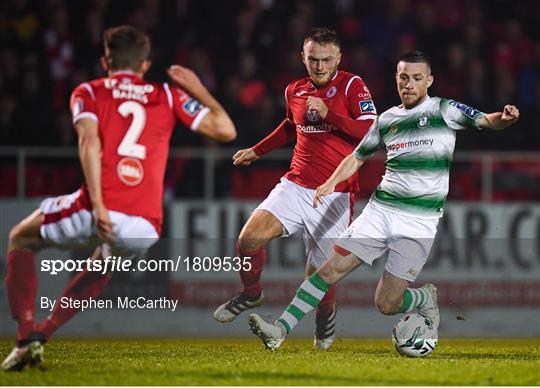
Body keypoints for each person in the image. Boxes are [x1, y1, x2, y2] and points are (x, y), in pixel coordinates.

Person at [249, 50, 520, 350]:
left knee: (387, 303)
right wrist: (329, 183)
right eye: (404, 77)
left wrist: (503, 119)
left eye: (417, 78)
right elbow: (356, 157)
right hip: (380, 211)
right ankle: (279, 331)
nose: (409, 84)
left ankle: (423, 297)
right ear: (396, 78)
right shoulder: (386, 120)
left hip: (418, 222)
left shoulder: (443, 110)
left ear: (429, 80)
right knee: (330, 269)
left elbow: (485, 120)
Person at [1, 25, 236, 371]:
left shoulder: (89, 91)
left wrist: (98, 205)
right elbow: (226, 130)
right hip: (145, 224)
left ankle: (24, 335)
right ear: (144, 65)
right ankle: (43, 335)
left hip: (101, 206)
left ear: (105, 60)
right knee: (104, 262)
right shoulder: (168, 95)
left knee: (20, 237)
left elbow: (89, 144)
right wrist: (199, 89)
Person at [213, 27, 377, 350]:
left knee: (319, 279)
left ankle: (325, 316)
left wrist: (332, 115)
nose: (319, 66)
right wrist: (257, 150)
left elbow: (371, 132)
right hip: (295, 184)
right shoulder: (294, 90)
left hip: (335, 194)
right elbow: (291, 125)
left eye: (326, 60)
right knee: (248, 239)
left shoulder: (352, 85)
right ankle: (251, 294)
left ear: (338, 58)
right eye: (313, 59)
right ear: (303, 57)